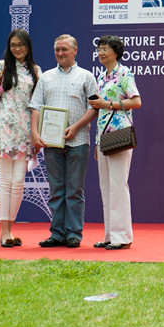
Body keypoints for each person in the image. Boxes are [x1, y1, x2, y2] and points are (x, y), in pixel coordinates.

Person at [0, 29, 40, 248]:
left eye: (21, 44)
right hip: (4, 129)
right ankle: (4, 232)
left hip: (25, 130)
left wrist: (37, 132)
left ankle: (11, 229)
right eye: (13, 45)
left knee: (18, 182)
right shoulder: (1, 67)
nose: (17, 49)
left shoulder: (36, 71)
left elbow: (38, 105)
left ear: (28, 46)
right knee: (5, 180)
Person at [30, 34, 98, 248]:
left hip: (78, 140)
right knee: (56, 190)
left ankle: (74, 234)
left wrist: (75, 127)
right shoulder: (46, 77)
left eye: (64, 50)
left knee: (74, 190)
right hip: (51, 143)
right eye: (57, 50)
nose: (60, 53)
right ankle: (57, 233)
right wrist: (34, 133)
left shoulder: (86, 76)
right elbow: (36, 107)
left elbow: (94, 107)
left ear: (75, 51)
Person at [88, 36, 141, 250]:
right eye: (99, 49)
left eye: (105, 49)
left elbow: (136, 101)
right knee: (106, 187)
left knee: (118, 186)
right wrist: (96, 143)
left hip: (119, 135)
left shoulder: (124, 73)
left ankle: (123, 237)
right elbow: (99, 112)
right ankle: (110, 235)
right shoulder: (102, 76)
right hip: (103, 138)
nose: (101, 53)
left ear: (116, 52)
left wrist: (108, 104)